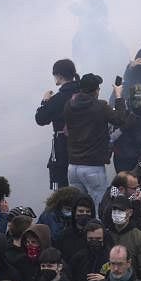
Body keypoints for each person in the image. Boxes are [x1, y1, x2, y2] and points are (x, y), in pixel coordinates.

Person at [64, 74, 138, 197]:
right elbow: (120, 119)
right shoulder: (100, 106)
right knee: (99, 204)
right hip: (93, 166)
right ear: (96, 91)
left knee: (78, 203)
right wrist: (118, 96)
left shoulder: (69, 105)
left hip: (73, 166)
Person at [36, 59, 82, 189]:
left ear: (59, 76)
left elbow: (41, 119)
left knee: (63, 186)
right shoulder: (84, 93)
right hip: (85, 147)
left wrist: (45, 101)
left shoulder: (58, 98)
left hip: (63, 147)